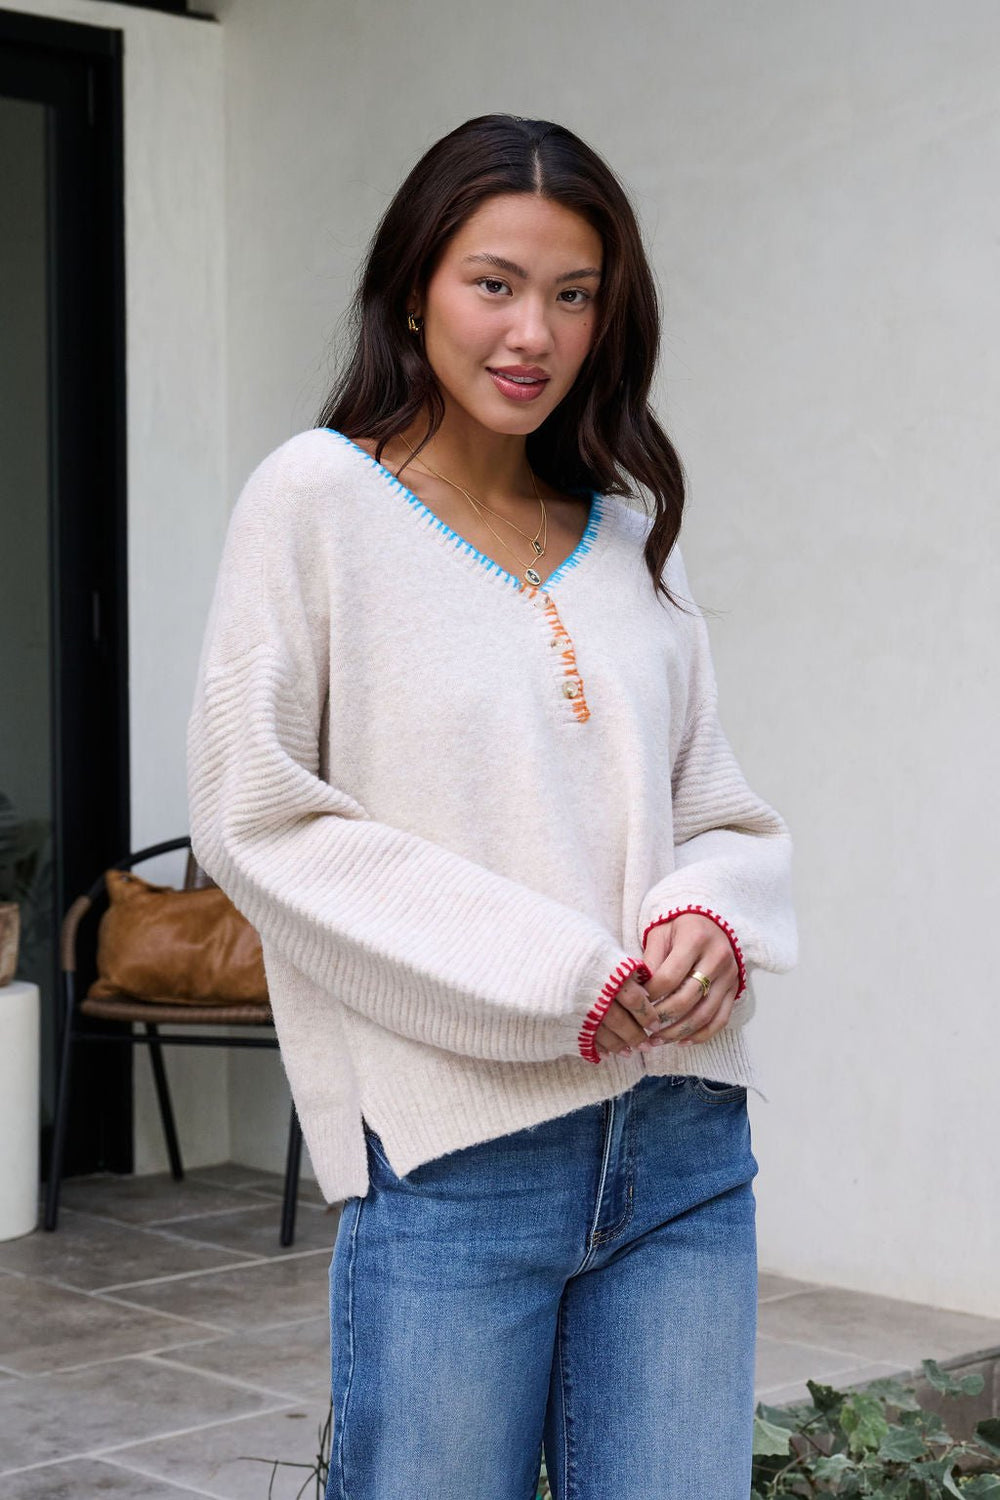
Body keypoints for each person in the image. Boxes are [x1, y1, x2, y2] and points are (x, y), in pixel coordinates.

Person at [186, 113, 798, 1500]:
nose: (534, 333)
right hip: (462, 1159)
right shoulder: (317, 499)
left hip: (684, 1150)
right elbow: (255, 813)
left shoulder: (630, 537)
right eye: (495, 284)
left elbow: (719, 809)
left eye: (573, 295)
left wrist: (710, 916)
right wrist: (561, 974)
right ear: (414, 289)